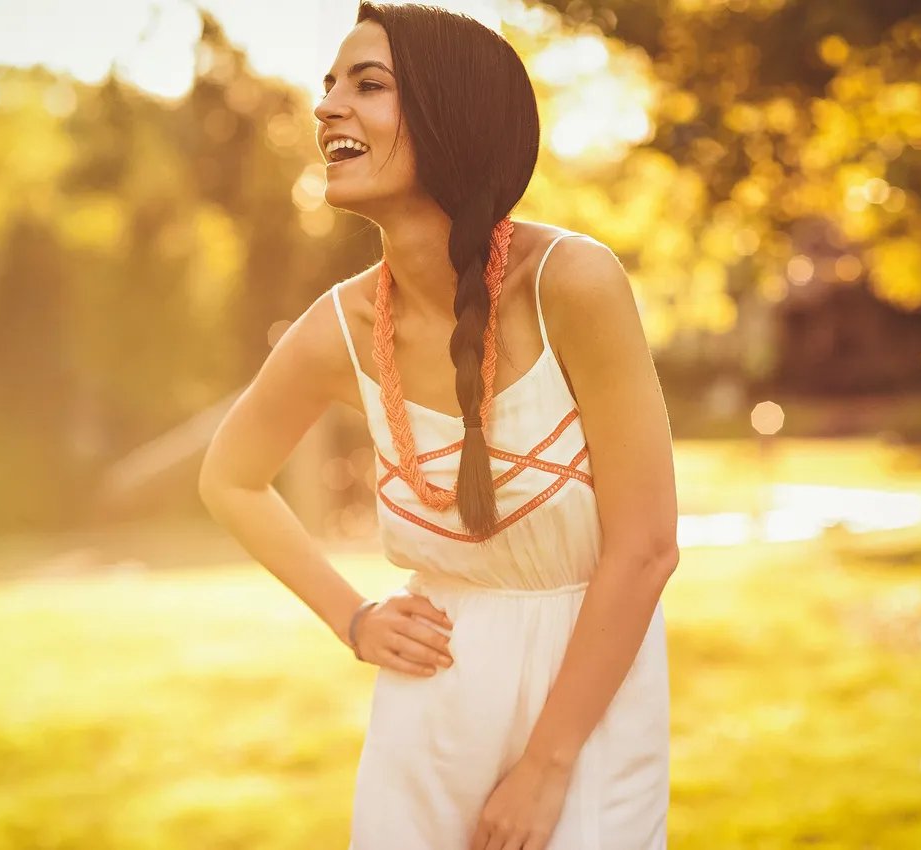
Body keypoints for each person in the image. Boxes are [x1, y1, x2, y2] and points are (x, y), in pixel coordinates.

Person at [198, 4, 679, 848]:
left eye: (368, 85)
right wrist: (352, 618)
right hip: (430, 710)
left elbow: (645, 549)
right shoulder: (337, 328)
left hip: (590, 707)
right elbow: (229, 478)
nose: (326, 107)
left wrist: (545, 766)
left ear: (447, 114)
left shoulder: (571, 282)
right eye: (329, 85)